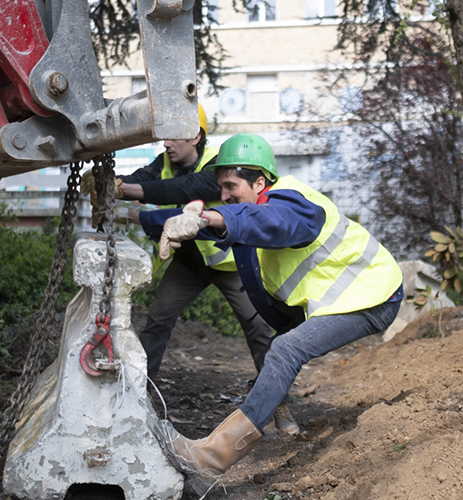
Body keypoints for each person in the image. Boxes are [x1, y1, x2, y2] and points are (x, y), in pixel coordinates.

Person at [138, 133, 405, 494]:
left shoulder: (293, 202)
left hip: (376, 295)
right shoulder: (254, 218)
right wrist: (171, 219)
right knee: (282, 350)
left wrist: (210, 218)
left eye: (231, 186)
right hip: (349, 300)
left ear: (260, 182)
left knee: (285, 351)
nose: (226, 195)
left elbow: (271, 221)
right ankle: (204, 471)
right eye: (221, 189)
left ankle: (211, 458)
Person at [80, 109, 300, 435]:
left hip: (230, 261)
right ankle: (139, 395)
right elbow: (146, 180)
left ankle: (279, 405)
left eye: (174, 136)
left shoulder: (217, 164)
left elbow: (180, 190)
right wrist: (115, 185)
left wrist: (124, 192)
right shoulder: (162, 163)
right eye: (164, 136)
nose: (166, 143)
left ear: (196, 136)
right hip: (190, 262)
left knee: (258, 329)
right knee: (157, 322)